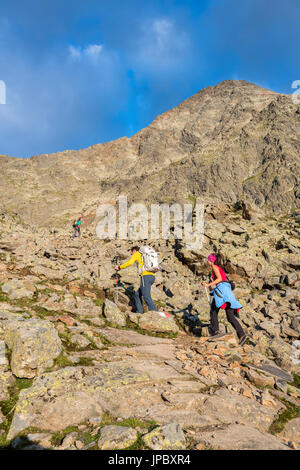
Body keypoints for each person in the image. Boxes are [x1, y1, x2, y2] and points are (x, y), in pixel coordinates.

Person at [202, 253, 247, 346]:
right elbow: (221, 281)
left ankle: (216, 331)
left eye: (208, 259)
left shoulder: (215, 267)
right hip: (226, 293)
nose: (207, 261)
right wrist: (209, 286)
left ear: (211, 260)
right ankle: (242, 335)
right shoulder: (218, 268)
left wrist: (208, 285)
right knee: (230, 316)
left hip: (222, 293)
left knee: (213, 310)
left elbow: (219, 279)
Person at [115, 246, 158, 314]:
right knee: (137, 294)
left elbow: (129, 263)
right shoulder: (144, 255)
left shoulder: (137, 254)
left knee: (146, 296)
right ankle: (139, 312)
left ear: (134, 250)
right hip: (152, 276)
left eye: (131, 252)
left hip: (145, 277)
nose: (131, 254)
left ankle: (156, 313)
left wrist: (119, 267)